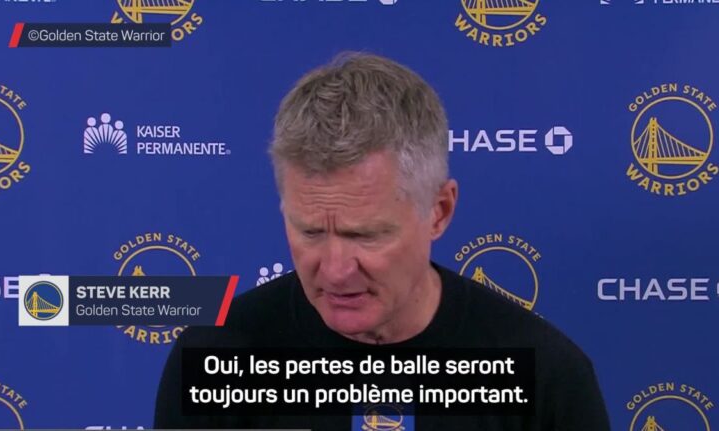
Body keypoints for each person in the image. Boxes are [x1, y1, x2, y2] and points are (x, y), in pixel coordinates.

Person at [154, 52, 611, 430]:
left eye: (365, 235)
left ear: (439, 211)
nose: (335, 271)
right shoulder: (213, 359)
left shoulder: (546, 375)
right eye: (310, 231)